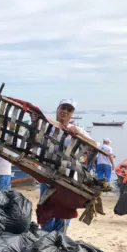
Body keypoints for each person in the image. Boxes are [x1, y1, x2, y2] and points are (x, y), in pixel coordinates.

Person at [36, 98, 95, 233]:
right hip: (47, 176)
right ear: (57, 109)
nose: (65, 112)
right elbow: (34, 133)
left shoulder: (77, 129)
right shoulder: (47, 125)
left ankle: (59, 242)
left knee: (63, 214)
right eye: (63, 108)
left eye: (69, 110)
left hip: (67, 180)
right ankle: (45, 239)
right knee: (46, 211)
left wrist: (79, 134)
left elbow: (94, 146)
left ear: (72, 114)